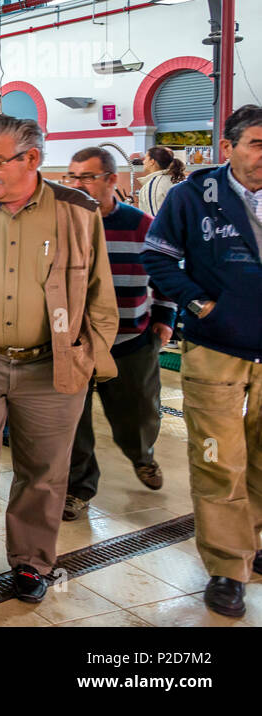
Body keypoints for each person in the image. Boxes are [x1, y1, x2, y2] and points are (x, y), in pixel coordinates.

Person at [0, 115, 118, 616]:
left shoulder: (77, 211)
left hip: (51, 367)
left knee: (45, 473)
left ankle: (32, 562)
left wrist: (90, 354)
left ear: (31, 159)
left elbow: (100, 290)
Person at [142, 104, 262, 619]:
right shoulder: (194, 197)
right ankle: (227, 567)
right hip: (217, 347)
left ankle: (254, 544)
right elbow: (157, 256)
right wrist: (200, 305)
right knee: (219, 461)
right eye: (256, 143)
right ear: (229, 148)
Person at [59, 147, 176, 521]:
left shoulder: (141, 224)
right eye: (72, 177)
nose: (77, 185)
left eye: (87, 177)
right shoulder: (61, 225)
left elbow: (165, 272)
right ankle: (78, 488)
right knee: (73, 422)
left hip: (131, 339)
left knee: (139, 413)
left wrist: (164, 316)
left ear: (112, 180)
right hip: (75, 342)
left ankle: (142, 454)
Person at [136, 145, 187, 218]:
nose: (143, 162)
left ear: (152, 161)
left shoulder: (153, 186)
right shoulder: (173, 179)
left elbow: (157, 219)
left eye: (145, 158)